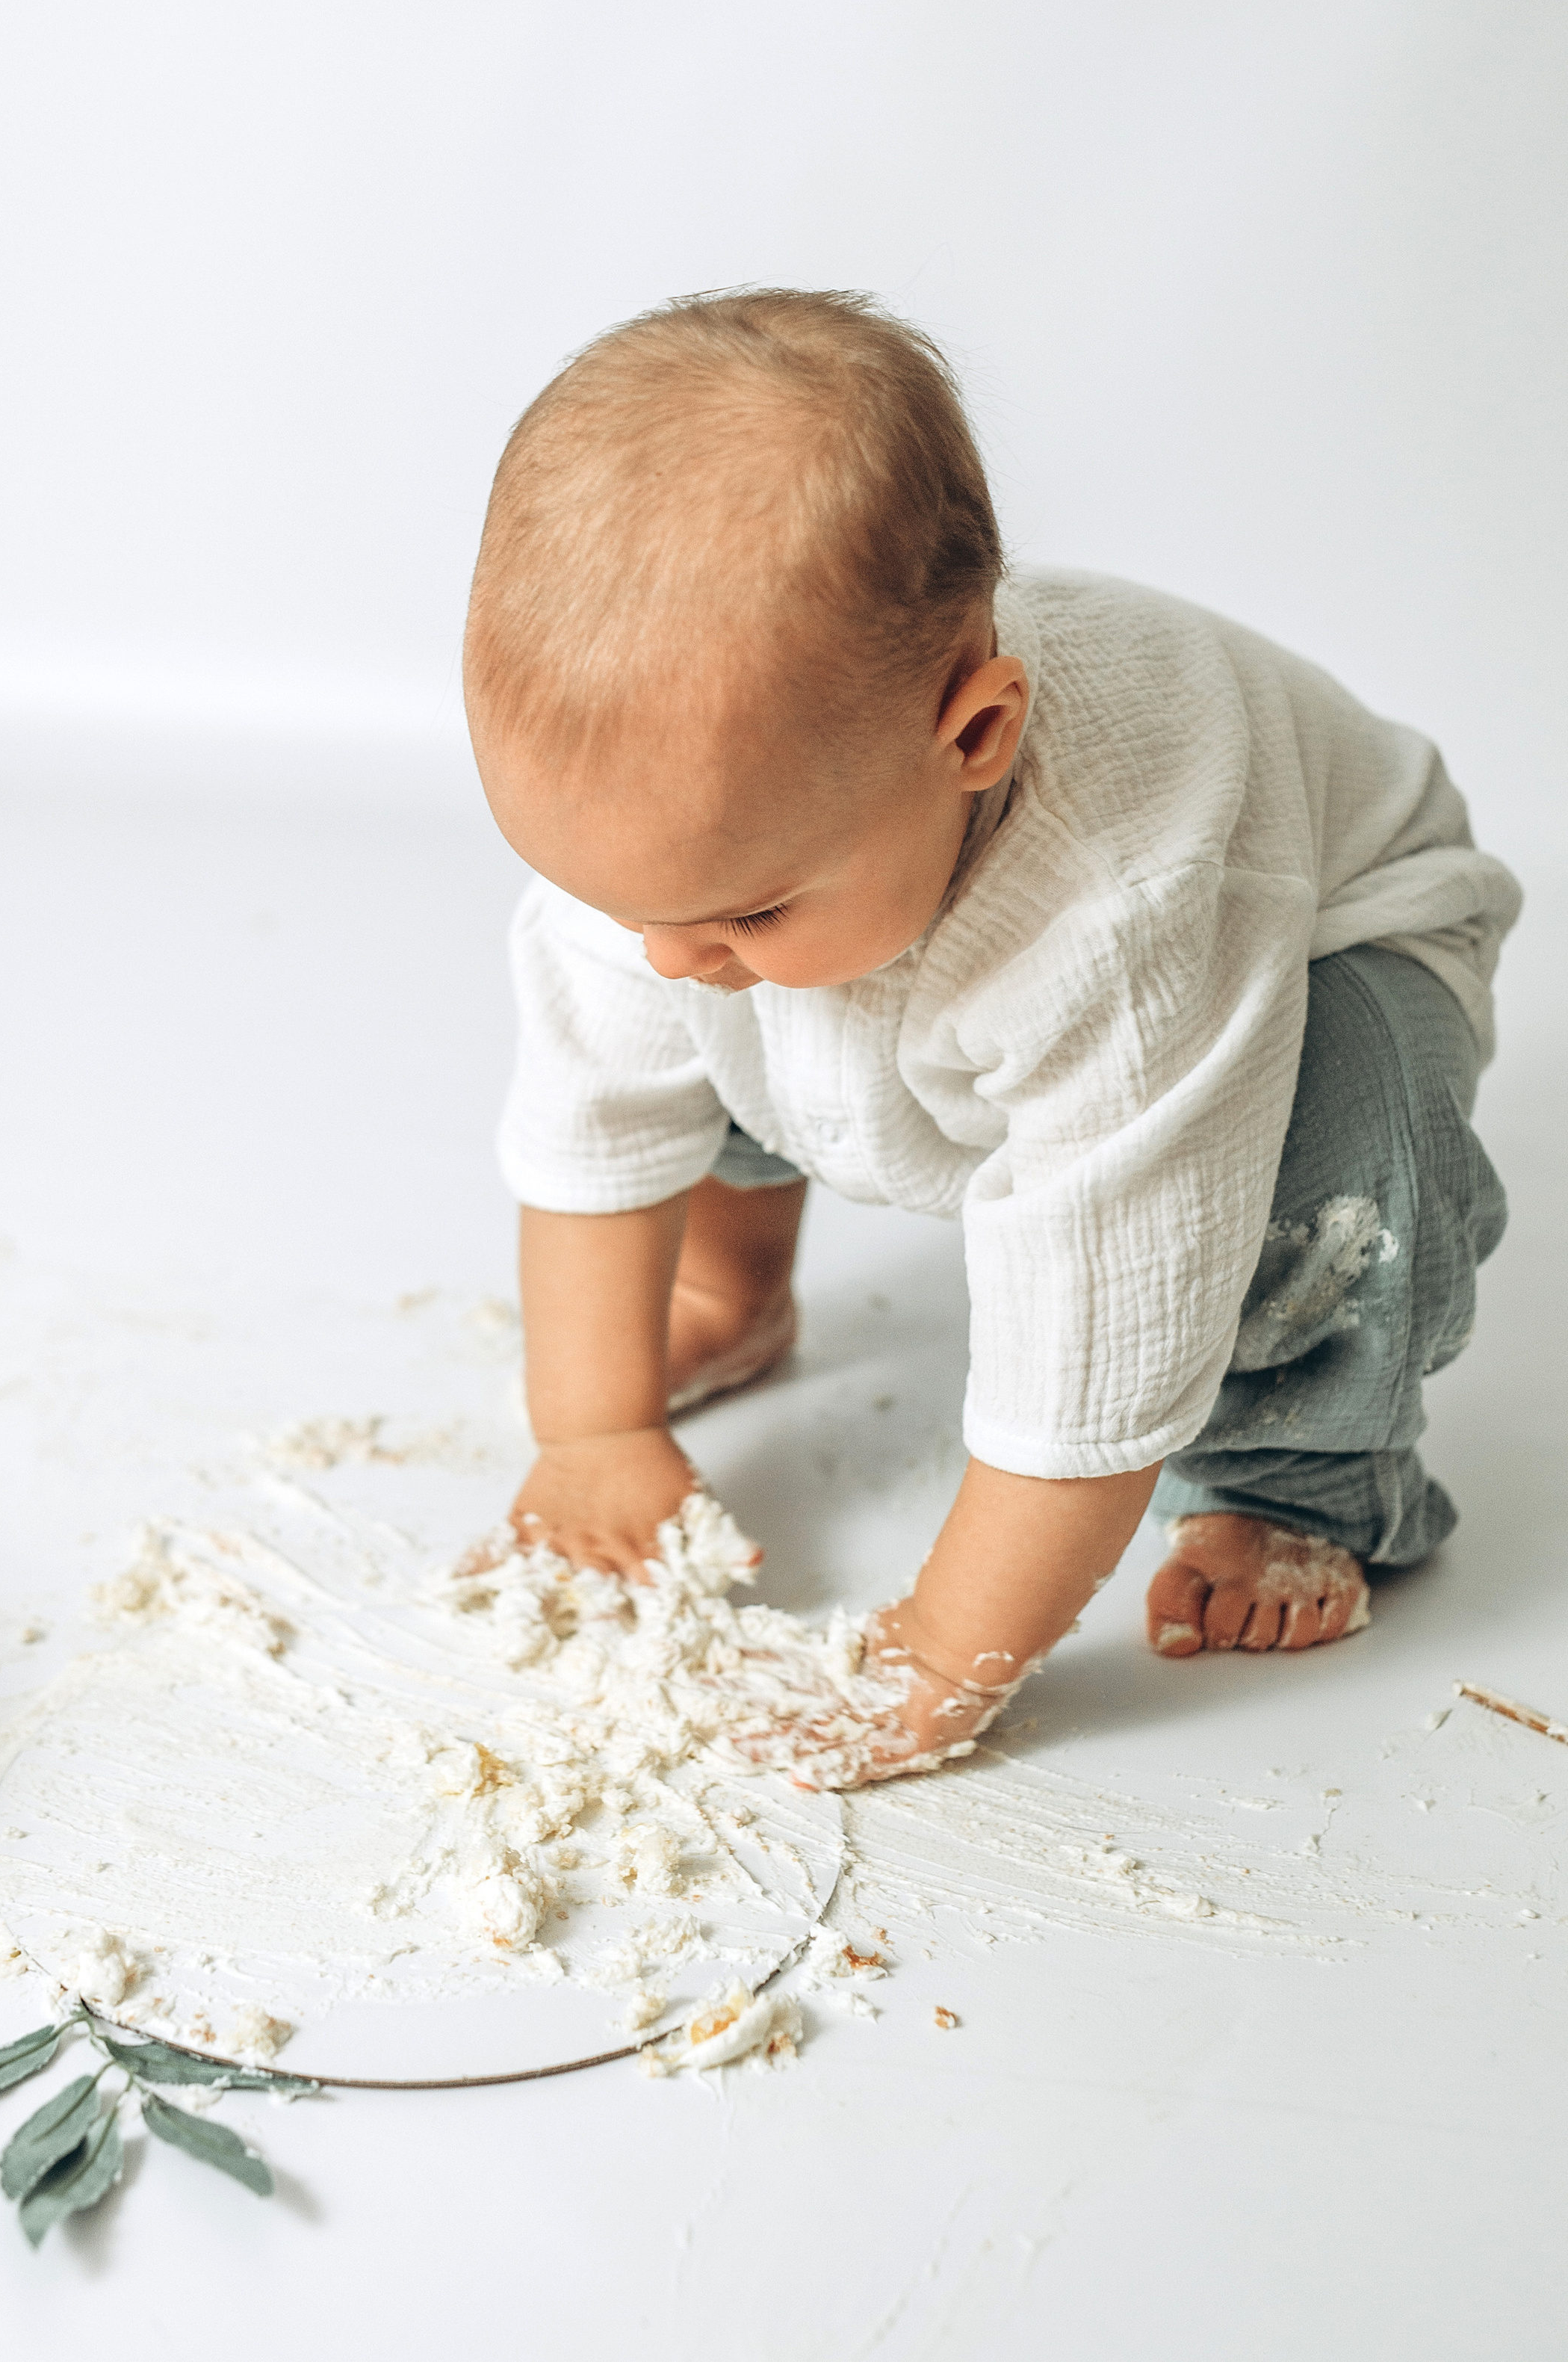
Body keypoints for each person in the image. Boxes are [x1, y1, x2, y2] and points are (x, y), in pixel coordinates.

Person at [461, 288, 1517, 1782]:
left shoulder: (1118, 908)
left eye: (738, 906)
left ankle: (1298, 1485)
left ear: (973, 735)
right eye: (611, 895)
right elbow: (594, 1112)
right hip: (882, 914)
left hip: (1317, 932)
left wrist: (940, 1657)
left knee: (1345, 1145)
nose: (660, 948)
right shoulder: (703, 857)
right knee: (735, 1007)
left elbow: (1111, 1286)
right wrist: (588, 1430)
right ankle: (732, 1281)